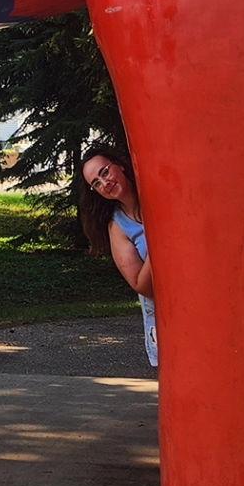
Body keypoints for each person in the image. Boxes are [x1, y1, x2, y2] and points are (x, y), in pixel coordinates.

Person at [78, 139, 156, 368]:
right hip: (164, 317)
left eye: (105, 172)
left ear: (119, 165)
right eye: (96, 183)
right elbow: (141, 285)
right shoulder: (118, 227)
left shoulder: (156, 193)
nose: (105, 182)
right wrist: (160, 244)